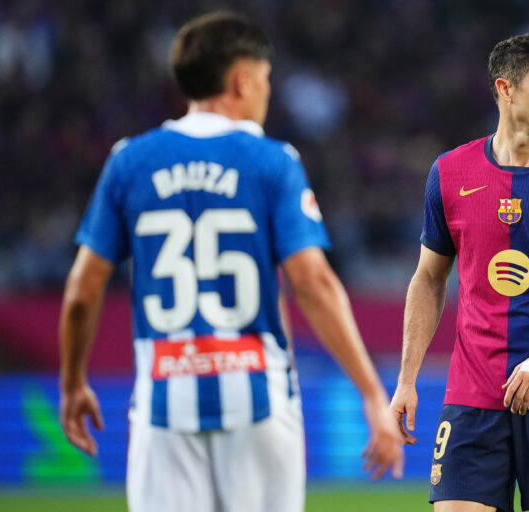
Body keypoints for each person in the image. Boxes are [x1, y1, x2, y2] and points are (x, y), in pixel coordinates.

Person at [58, 11, 402, 512]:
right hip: (259, 402)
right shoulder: (271, 160)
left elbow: (82, 291)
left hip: (163, 406)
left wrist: (71, 384)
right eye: (264, 80)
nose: (266, 93)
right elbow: (313, 282)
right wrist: (371, 392)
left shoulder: (128, 160)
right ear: (242, 80)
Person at [390, 34, 529, 512]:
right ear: (507, 88)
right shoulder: (450, 172)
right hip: (472, 394)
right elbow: (429, 279)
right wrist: (406, 379)